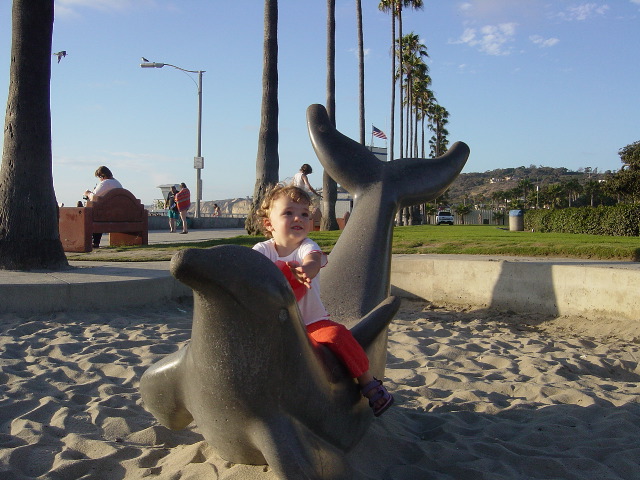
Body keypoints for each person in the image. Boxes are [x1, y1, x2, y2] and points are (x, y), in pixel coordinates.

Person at [253, 185, 394, 417]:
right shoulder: (263, 251)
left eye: (305, 214)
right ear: (269, 224)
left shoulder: (306, 246)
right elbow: (251, 269)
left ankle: (369, 384)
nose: (298, 218)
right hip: (275, 324)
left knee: (338, 336)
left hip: (312, 322)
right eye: (288, 213)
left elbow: (314, 260)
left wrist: (305, 270)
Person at [83, 166, 122, 248]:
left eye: (99, 178)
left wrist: (87, 193)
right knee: (99, 214)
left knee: (94, 216)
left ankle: (94, 242)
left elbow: (94, 197)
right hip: (118, 214)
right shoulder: (117, 183)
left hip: (105, 215)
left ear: (102, 176)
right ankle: (95, 242)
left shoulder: (105, 183)